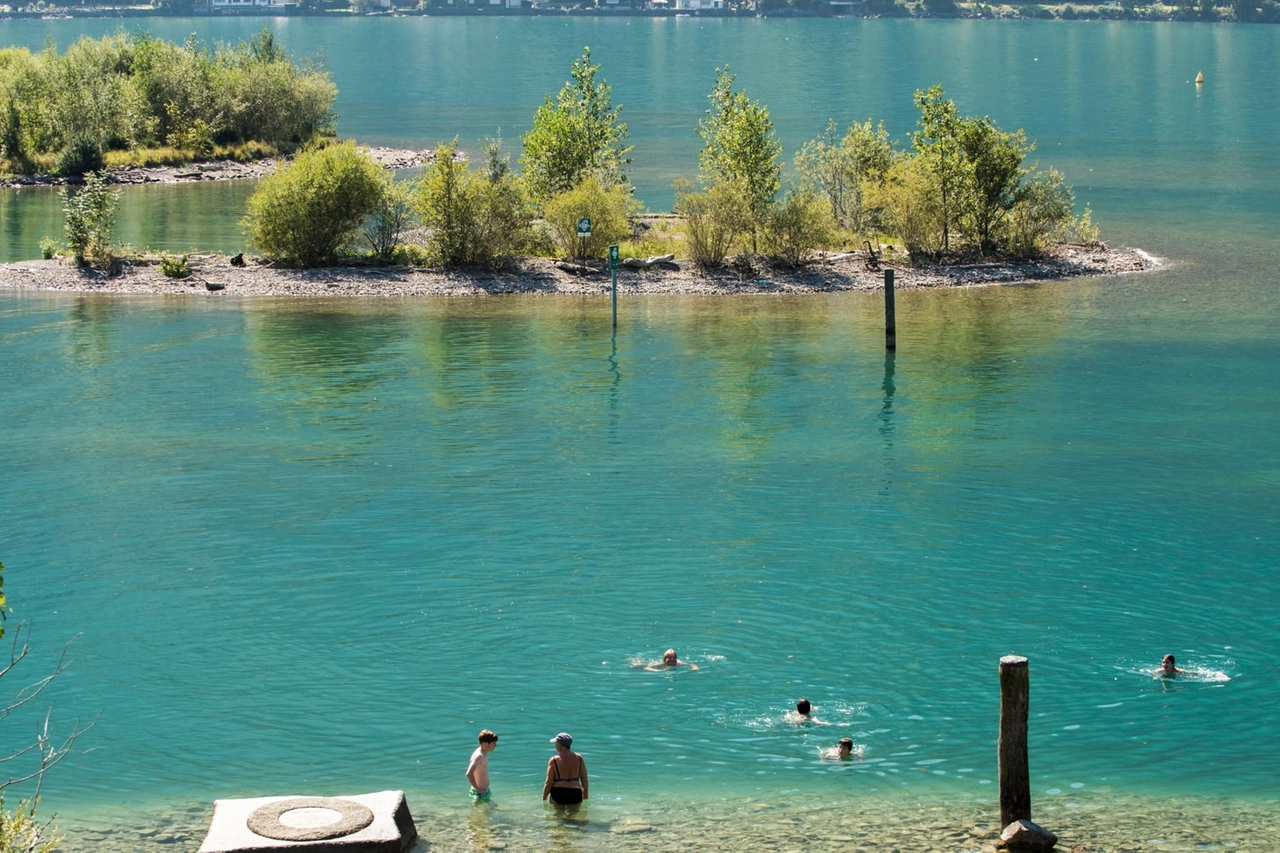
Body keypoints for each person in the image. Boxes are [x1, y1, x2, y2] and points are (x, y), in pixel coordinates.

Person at [542, 732, 589, 807]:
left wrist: (544, 797)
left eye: (556, 743)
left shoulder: (554, 760)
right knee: (575, 817)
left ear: (559, 744)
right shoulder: (579, 758)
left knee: (558, 817)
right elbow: (584, 779)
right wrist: (585, 796)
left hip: (558, 792)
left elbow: (549, 782)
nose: (555, 746)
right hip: (575, 792)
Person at [466, 729, 498, 803]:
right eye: (494, 743)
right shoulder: (479, 756)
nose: (495, 745)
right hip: (479, 793)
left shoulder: (483, 753)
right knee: (481, 813)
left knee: (489, 811)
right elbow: (468, 773)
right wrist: (477, 789)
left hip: (483, 791)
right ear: (486, 744)